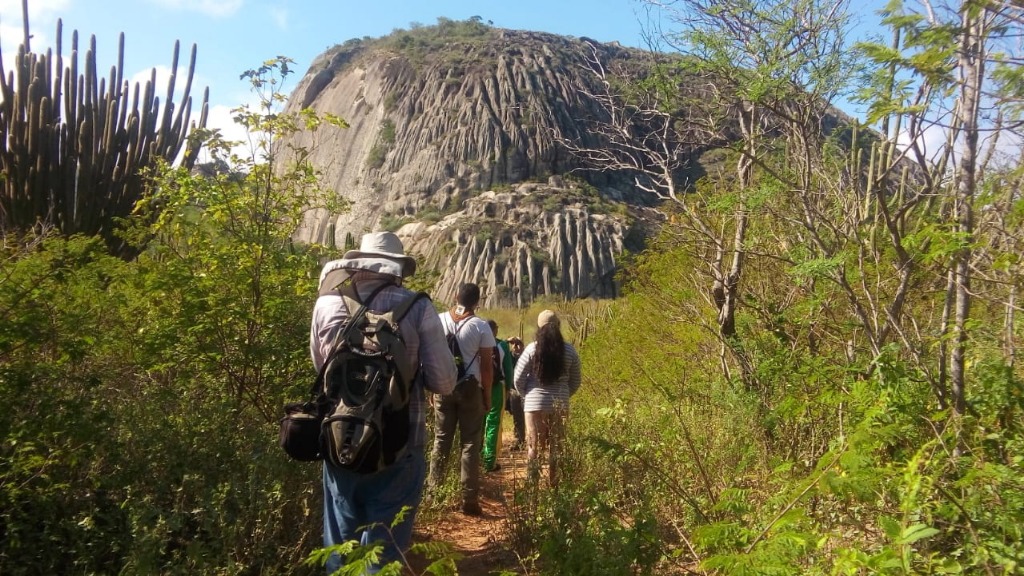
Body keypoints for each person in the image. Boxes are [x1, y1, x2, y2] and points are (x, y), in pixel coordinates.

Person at [311, 231, 457, 574]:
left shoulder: (327, 303)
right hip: (400, 444)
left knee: (339, 551)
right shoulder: (419, 307)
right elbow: (444, 382)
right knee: (384, 553)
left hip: (339, 442)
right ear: (397, 268)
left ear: (357, 261)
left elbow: (322, 371)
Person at [428, 283, 495, 516]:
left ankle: (434, 494)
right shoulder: (481, 327)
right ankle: (469, 499)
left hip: (443, 388)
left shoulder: (439, 320)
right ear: (477, 302)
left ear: (455, 295)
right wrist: (487, 395)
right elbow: (486, 367)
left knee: (441, 440)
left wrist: (432, 388)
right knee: (470, 443)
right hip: (470, 390)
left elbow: (430, 357)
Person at [513, 310, 581, 487]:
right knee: (556, 447)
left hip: (534, 405)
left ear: (538, 327)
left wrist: (526, 396)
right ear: (558, 327)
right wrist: (564, 396)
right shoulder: (569, 350)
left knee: (534, 447)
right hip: (560, 404)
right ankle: (555, 486)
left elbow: (518, 378)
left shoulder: (531, 349)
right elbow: (575, 381)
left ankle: (532, 486)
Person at [482, 319, 515, 472]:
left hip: (479, 386)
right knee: (494, 422)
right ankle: (490, 461)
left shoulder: (478, 343)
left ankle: (477, 458)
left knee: (480, 422)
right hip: (496, 387)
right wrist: (508, 388)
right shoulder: (502, 346)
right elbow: (508, 370)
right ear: (495, 330)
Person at [505, 336, 526, 451]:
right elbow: (501, 353)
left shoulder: (525, 356)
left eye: (518, 344)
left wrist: (521, 348)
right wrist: (507, 342)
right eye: (514, 344)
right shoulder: (509, 357)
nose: (516, 347)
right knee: (518, 417)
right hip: (513, 391)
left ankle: (535, 439)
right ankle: (520, 439)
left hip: (526, 390)